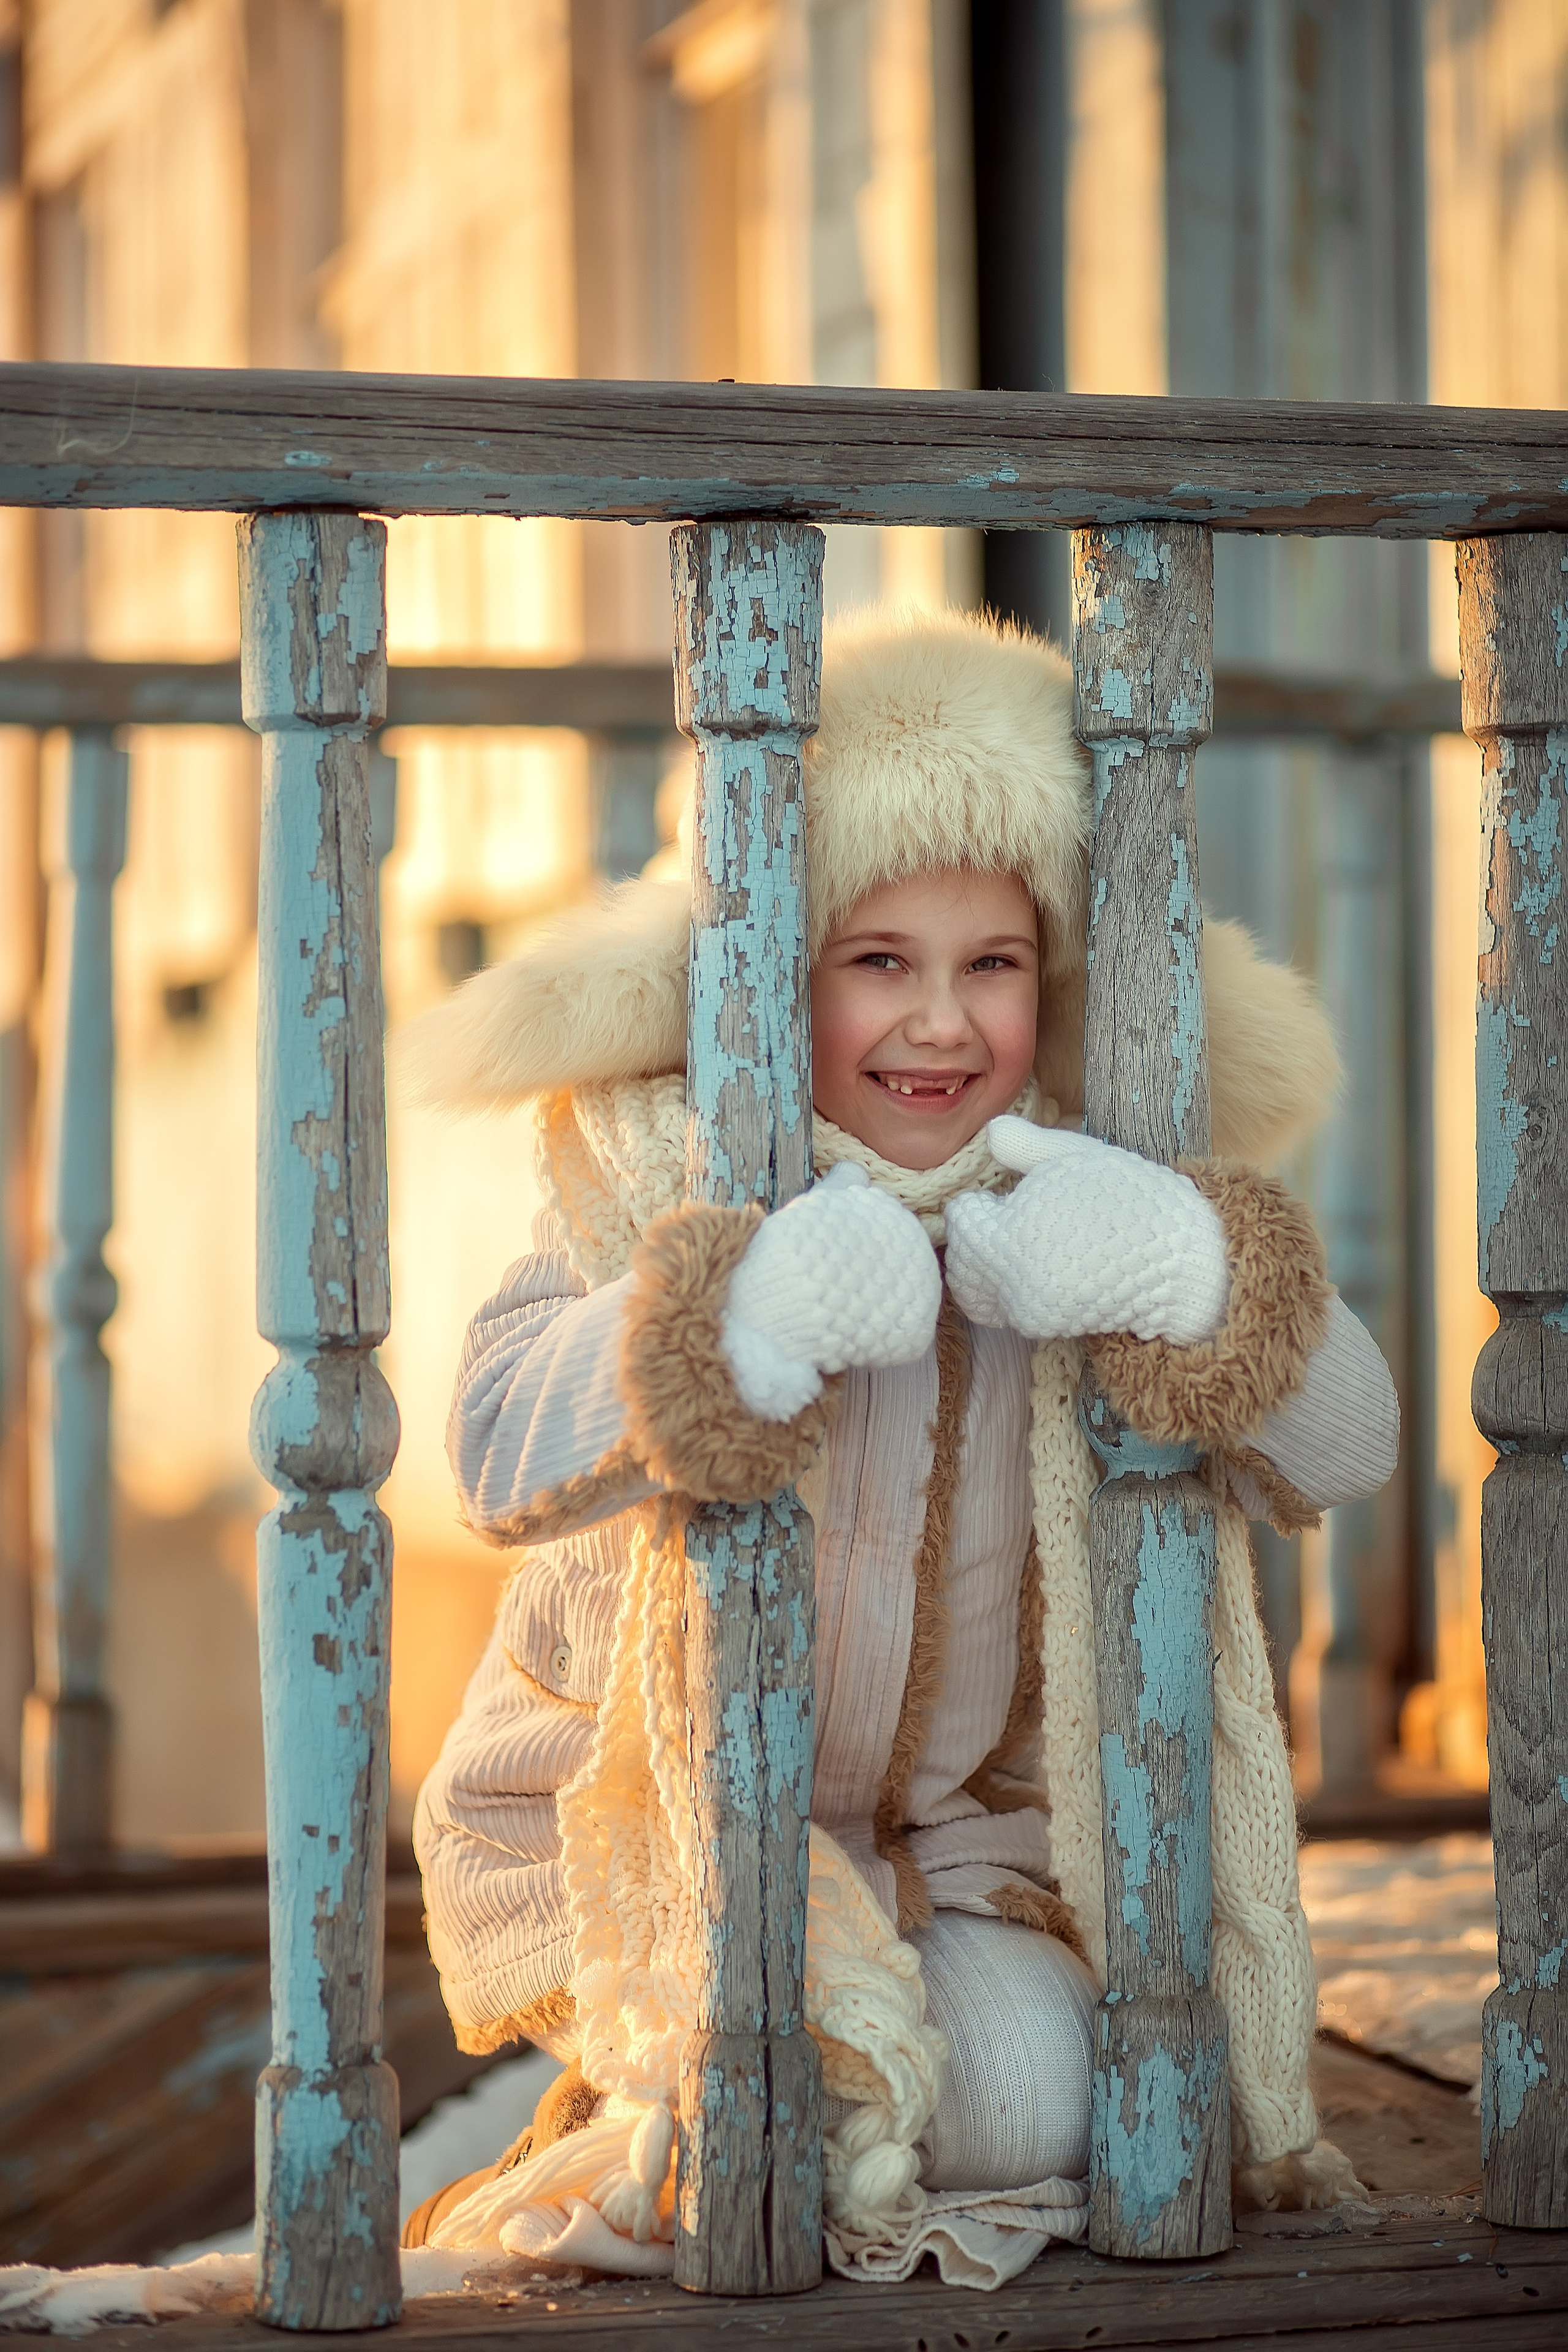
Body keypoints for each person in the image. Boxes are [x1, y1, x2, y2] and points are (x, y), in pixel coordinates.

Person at [399, 608, 1397, 2285]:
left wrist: (1182, 1271)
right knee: (782, 2074)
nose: (939, 1024)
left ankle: (769, 2096)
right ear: (780, 972)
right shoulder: (657, 1170)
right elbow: (496, 1443)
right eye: (880, 962)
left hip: (966, 1853)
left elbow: (1353, 1442)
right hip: (658, 1828)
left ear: (1050, 983)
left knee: (1037, 2095)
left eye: (990, 966)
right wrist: (735, 1318)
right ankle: (669, 2089)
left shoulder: (1078, 1184)